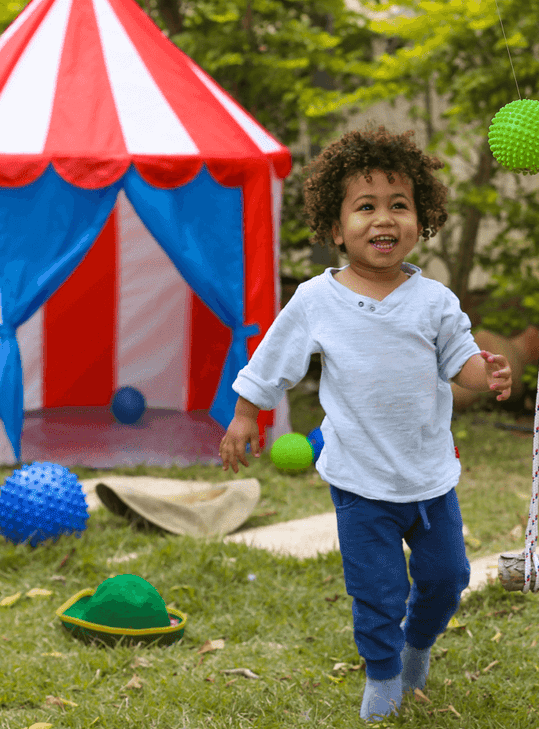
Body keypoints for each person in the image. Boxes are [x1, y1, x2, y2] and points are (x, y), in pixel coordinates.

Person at [219, 126, 513, 721]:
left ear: (421, 220)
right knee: (378, 593)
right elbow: (273, 360)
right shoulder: (315, 300)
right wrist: (245, 414)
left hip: (429, 476)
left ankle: (416, 648)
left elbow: (462, 363)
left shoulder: (435, 301)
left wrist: (490, 375)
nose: (385, 218)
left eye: (399, 205)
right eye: (366, 206)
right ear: (336, 227)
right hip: (359, 478)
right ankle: (382, 676)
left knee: (447, 577)